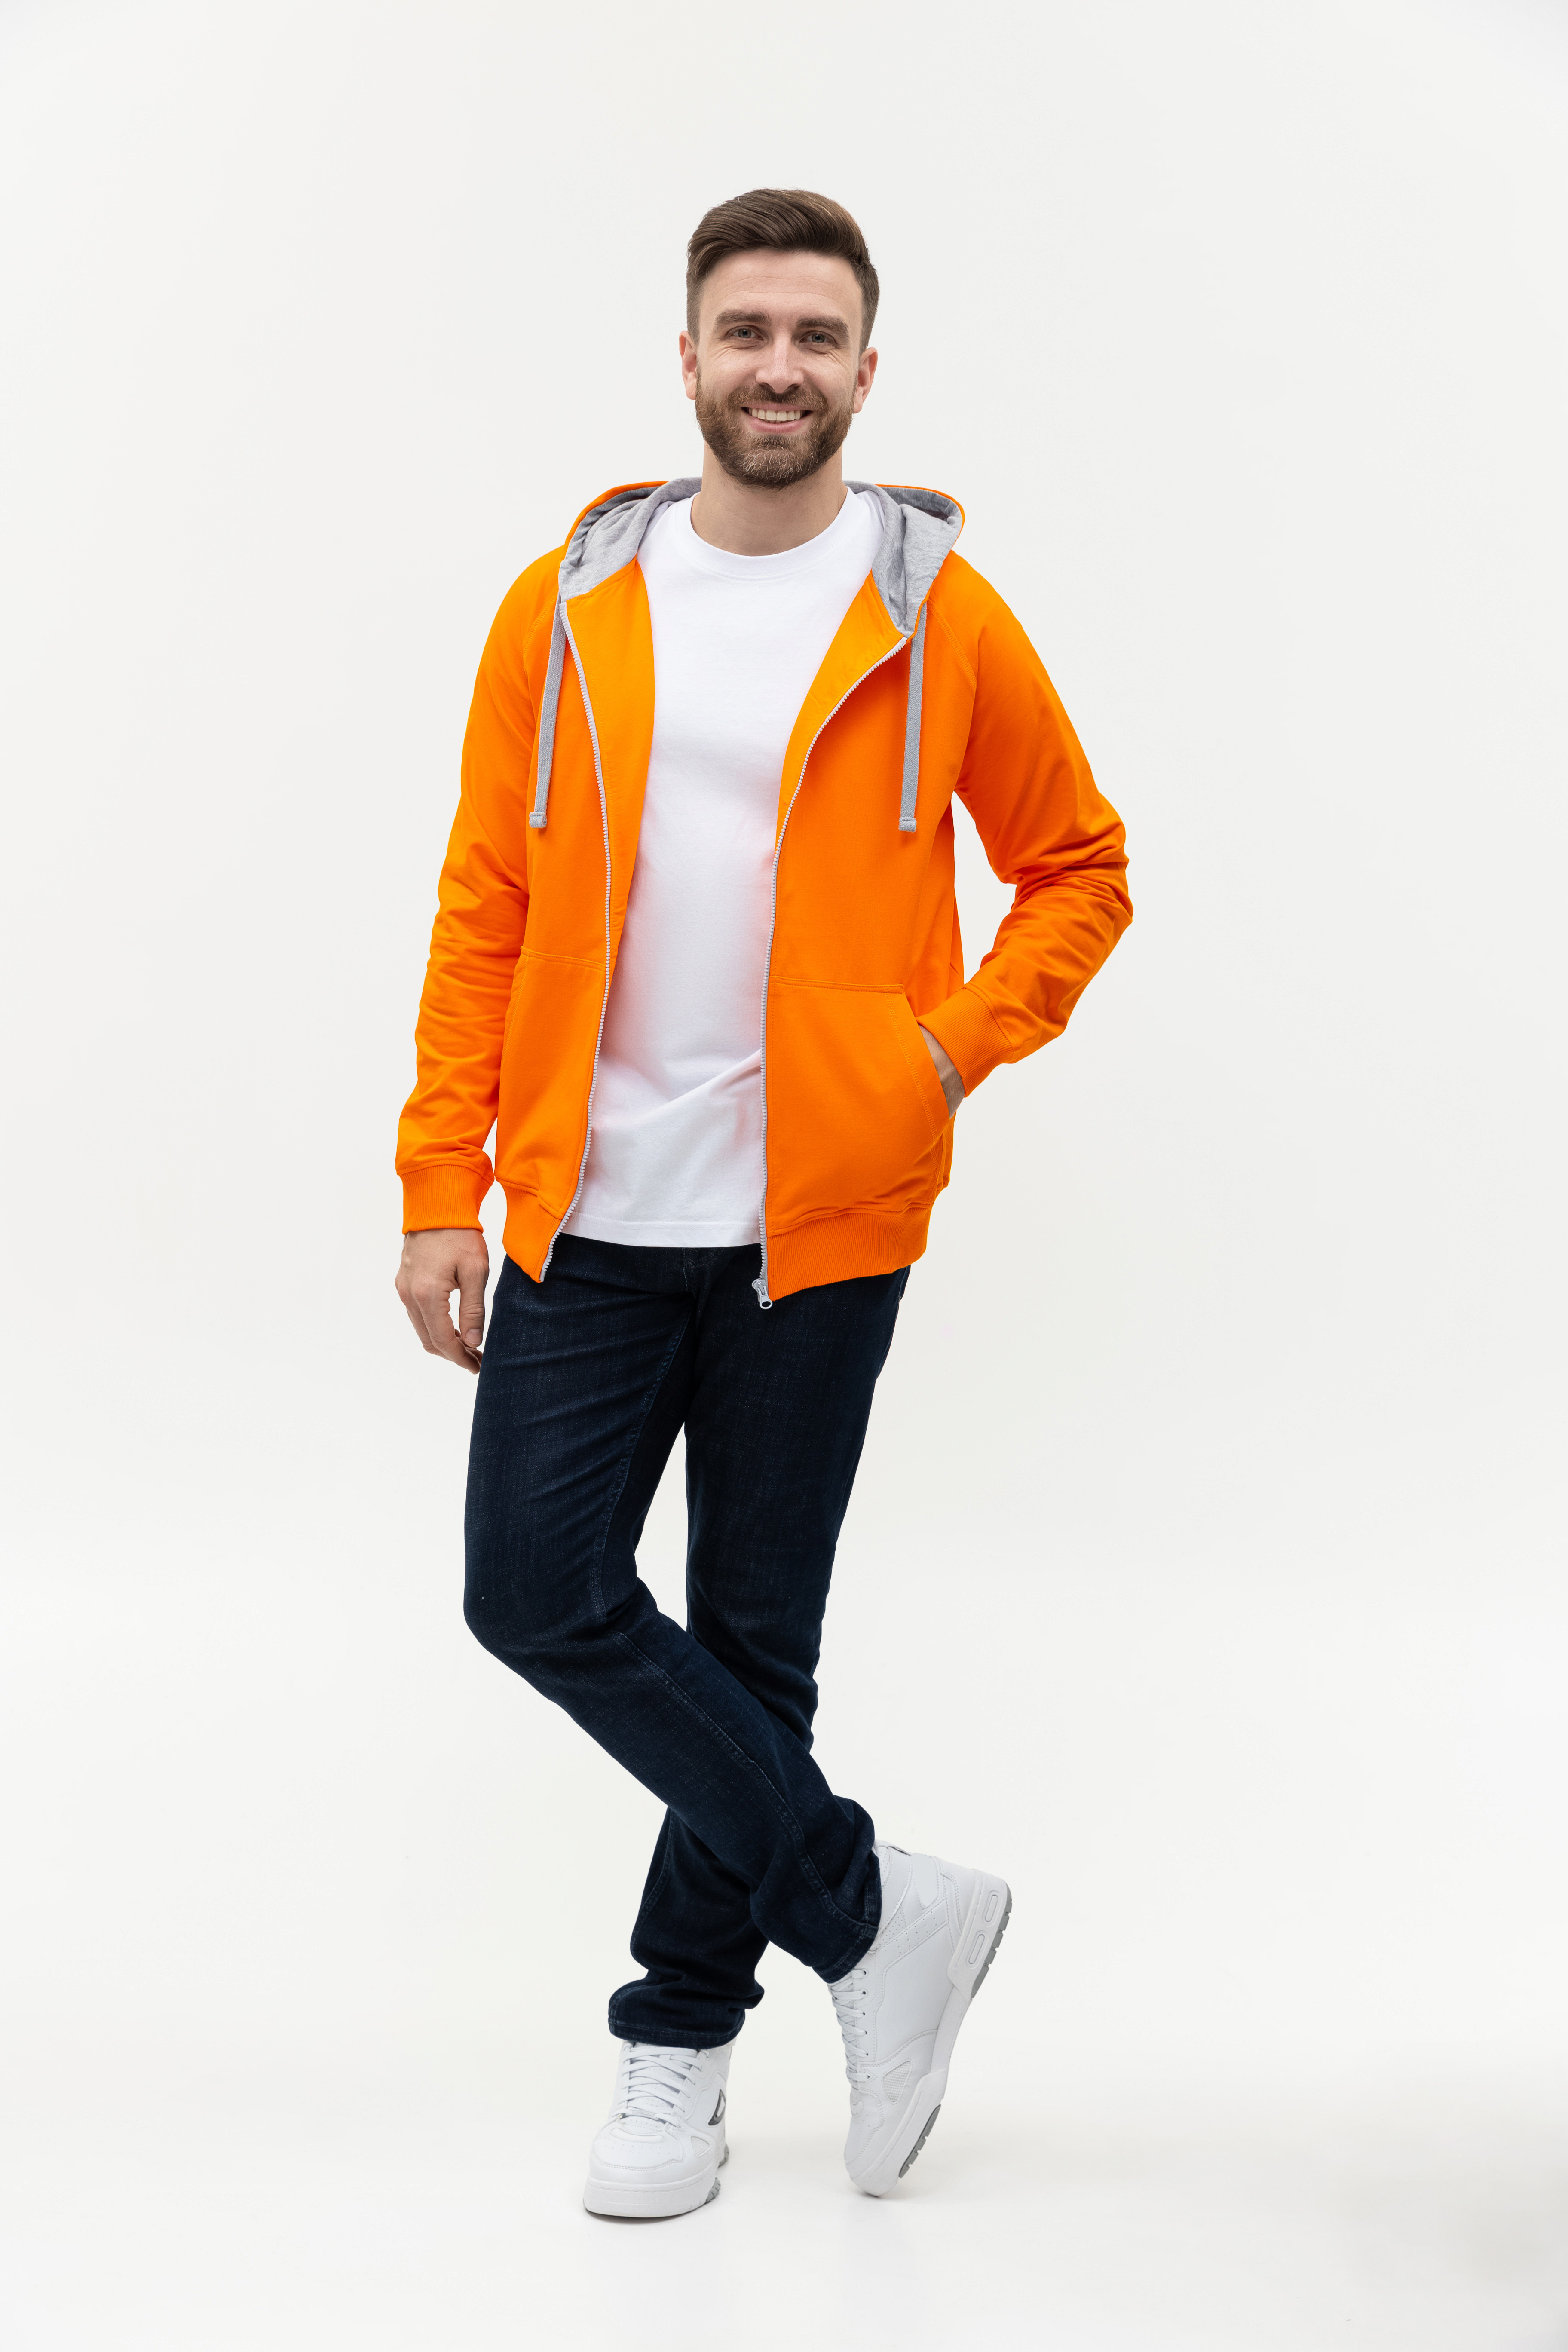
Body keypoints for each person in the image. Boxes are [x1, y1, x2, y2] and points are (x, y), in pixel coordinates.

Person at [395, 187, 1131, 2217]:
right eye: (747, 331)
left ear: (867, 372)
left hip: (822, 1218)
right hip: (588, 1205)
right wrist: (442, 1174)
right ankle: (878, 1907)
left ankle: (676, 2050)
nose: (779, 367)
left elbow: (1079, 865)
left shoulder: (935, 612)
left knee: (750, 1639)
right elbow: (487, 900)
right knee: (534, 1592)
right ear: (690, 358)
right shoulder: (569, 608)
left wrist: (940, 1055)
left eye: (816, 335)